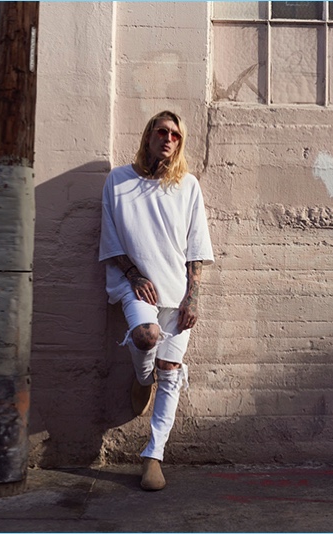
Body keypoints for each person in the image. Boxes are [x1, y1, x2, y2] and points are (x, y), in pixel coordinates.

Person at [98, 110, 214, 491]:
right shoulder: (118, 181)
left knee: (171, 370)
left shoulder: (188, 187)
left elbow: (196, 248)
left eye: (176, 135)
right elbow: (110, 237)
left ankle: (153, 456)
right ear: (148, 135)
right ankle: (141, 376)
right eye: (161, 132)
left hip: (176, 290)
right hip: (136, 287)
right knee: (146, 337)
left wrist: (192, 298)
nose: (168, 139)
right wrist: (133, 274)